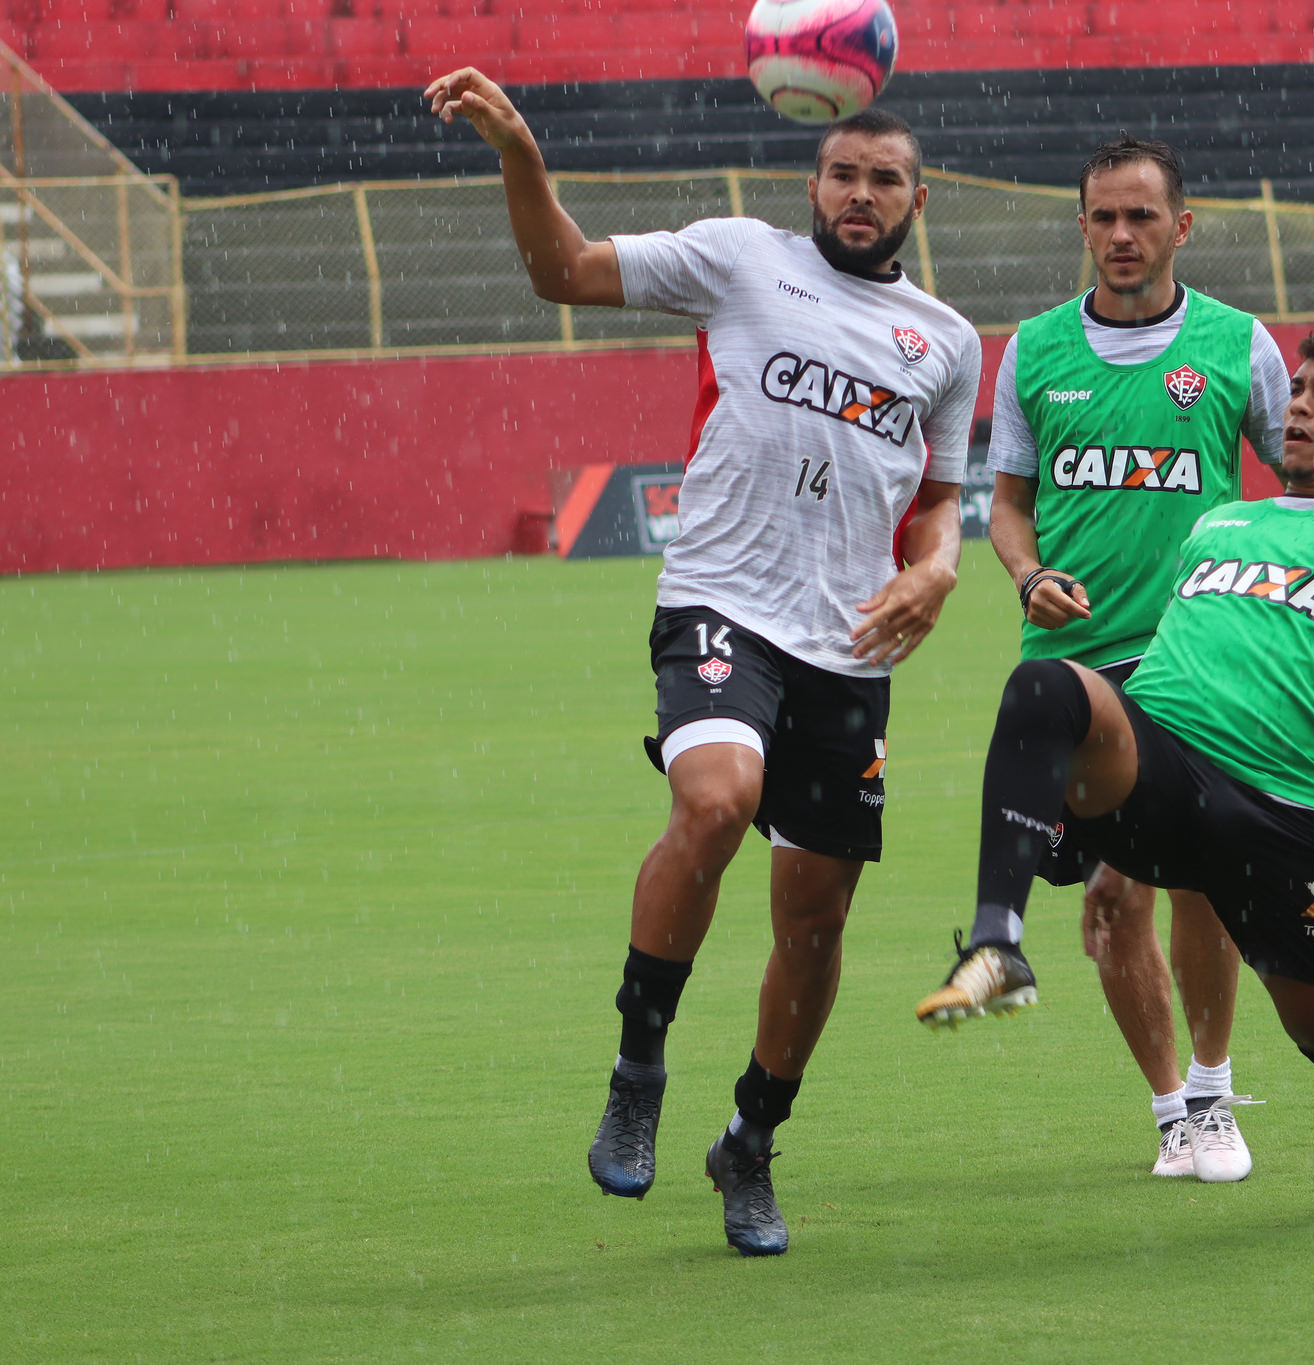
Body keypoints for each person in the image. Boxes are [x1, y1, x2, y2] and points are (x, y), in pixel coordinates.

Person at [426, 69, 981, 1257]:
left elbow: (937, 502)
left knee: (816, 921)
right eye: (842, 173)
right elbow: (561, 271)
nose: (859, 194)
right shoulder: (740, 259)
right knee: (717, 801)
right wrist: (522, 152)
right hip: (722, 602)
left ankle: (752, 1141)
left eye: (884, 180)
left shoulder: (943, 341)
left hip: (849, 643)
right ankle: (639, 1067)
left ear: (916, 201)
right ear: (811, 181)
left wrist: (936, 567)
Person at [916, 329, 1314, 1215]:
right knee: (1045, 684)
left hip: (1280, 812)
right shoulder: (1221, 521)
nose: (1301, 405)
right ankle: (997, 944)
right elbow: (1180, 663)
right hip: (1163, 770)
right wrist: (1121, 851)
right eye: (1300, 388)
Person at [972, 134, 1290, 1183]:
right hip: (1076, 672)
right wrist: (1024, 576)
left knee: (1206, 884)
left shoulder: (1238, 347)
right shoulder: (1034, 351)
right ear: (1080, 227)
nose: (1120, 236)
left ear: (1181, 226)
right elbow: (1007, 508)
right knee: (1111, 899)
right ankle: (1168, 1112)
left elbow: (1305, 487)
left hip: (1200, 662)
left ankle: (1212, 1092)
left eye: (1140, 217)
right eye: (1102, 218)